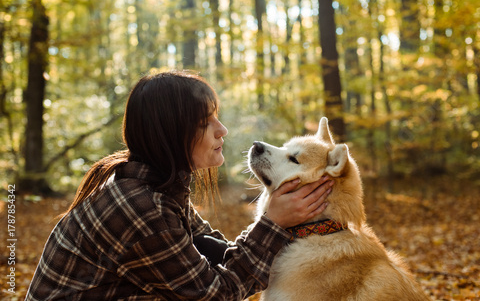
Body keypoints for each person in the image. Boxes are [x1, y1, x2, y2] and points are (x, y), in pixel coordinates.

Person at [25, 71, 333, 300]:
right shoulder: (142, 208)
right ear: (170, 134)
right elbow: (216, 295)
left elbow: (213, 252)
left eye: (217, 117)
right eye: (204, 122)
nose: (221, 130)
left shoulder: (159, 186)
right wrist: (273, 223)